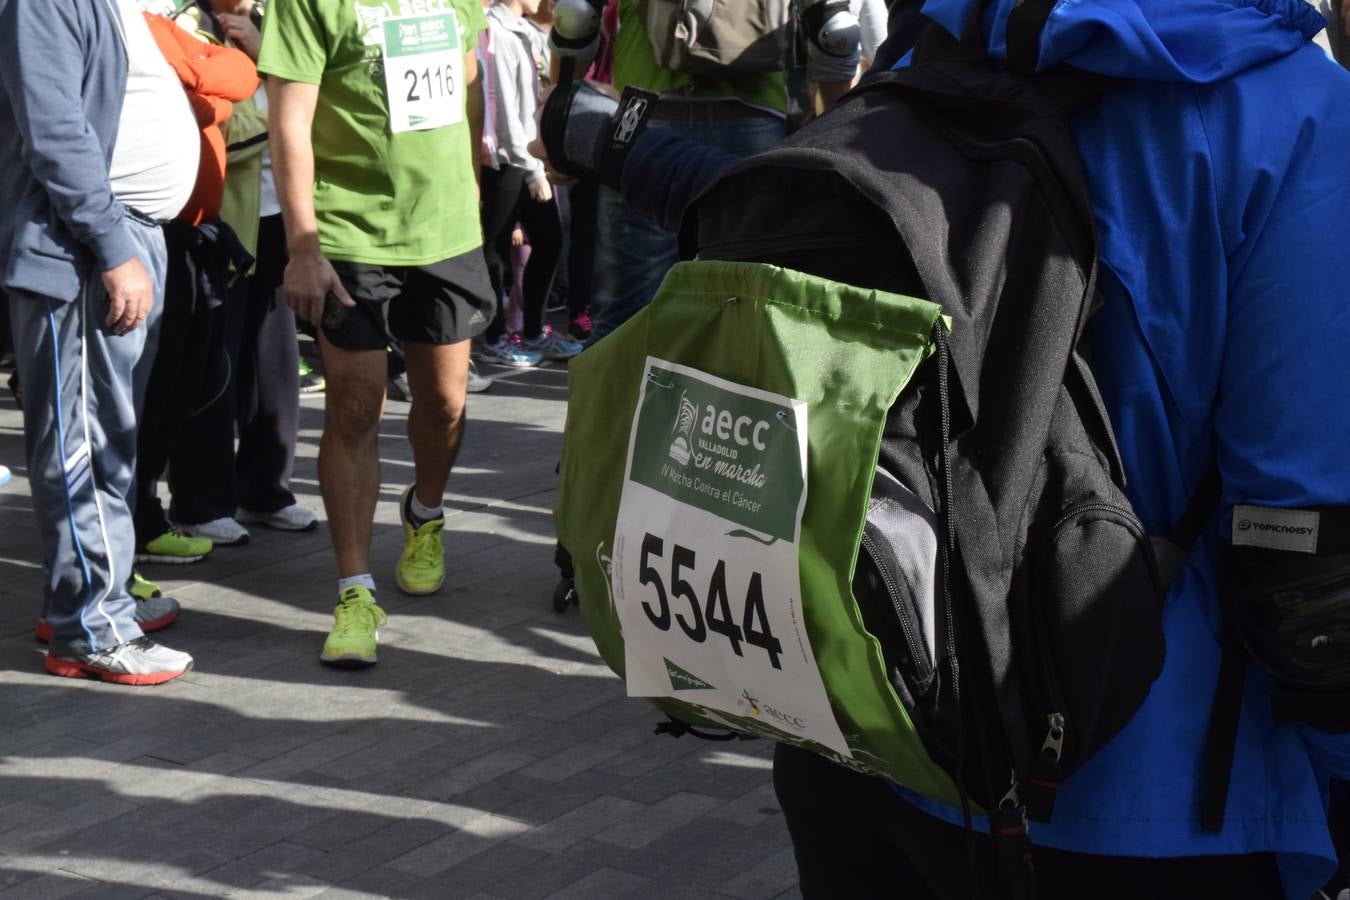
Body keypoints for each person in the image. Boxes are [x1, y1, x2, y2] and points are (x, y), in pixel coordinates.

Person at [536, 0, 1350, 894]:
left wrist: (617, 140)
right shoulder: (1292, 111)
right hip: (1147, 789)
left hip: (878, 725)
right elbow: (1305, 545)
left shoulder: (933, 50)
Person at [258, 0, 494, 666]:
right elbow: (290, 120)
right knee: (356, 404)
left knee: (445, 404)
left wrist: (474, 193)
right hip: (351, 232)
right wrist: (303, 245)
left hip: (446, 230)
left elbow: (467, 81)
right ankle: (355, 593)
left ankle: (424, 512)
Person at [0, 0, 198, 683]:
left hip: (122, 242)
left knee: (111, 440)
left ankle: (91, 602)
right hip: (84, 253)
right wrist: (114, 248)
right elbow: (55, 133)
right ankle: (88, 627)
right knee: (80, 444)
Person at [583, 0, 861, 344]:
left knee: (624, 317)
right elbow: (836, 31)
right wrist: (830, 128)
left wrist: (560, 108)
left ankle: (616, 397)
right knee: (752, 311)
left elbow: (576, 16)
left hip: (643, 113)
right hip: (753, 118)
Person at [479, 0, 580, 366]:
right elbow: (506, 111)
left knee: (550, 239)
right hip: (506, 160)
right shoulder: (497, 33)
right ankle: (493, 337)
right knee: (496, 248)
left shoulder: (524, 31)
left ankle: (534, 330)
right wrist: (534, 170)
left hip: (527, 156)